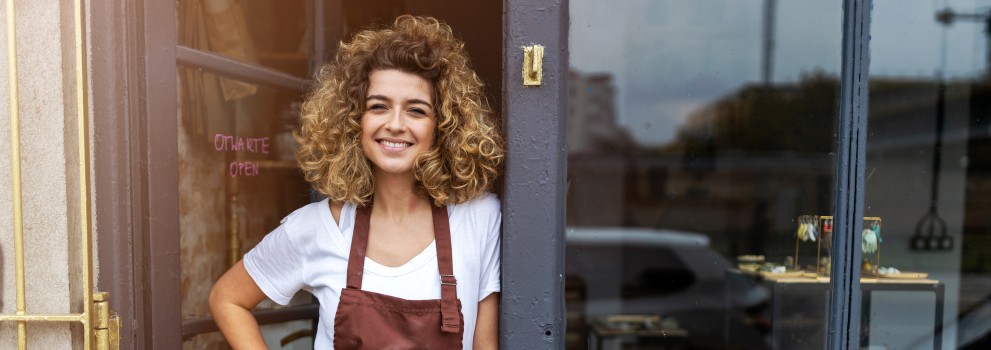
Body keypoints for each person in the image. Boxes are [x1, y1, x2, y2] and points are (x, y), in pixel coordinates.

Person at [209, 15, 505, 349]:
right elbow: (227, 299)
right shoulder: (318, 228)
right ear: (354, 119)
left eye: (416, 111)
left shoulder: (479, 219)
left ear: (443, 126)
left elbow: (485, 344)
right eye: (378, 106)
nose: (395, 124)